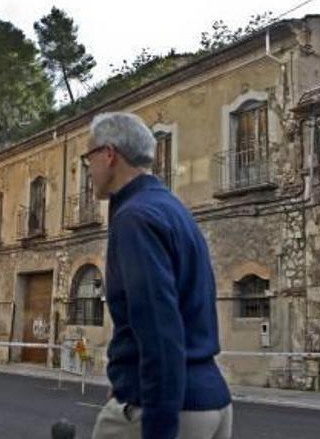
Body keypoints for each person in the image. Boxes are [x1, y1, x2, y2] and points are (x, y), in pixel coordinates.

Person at [84, 112, 232, 439]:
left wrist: (159, 424)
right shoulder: (172, 209)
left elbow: (158, 327)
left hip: (170, 409)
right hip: (212, 400)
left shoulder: (134, 218)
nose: (88, 170)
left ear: (109, 155)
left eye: (88, 157)